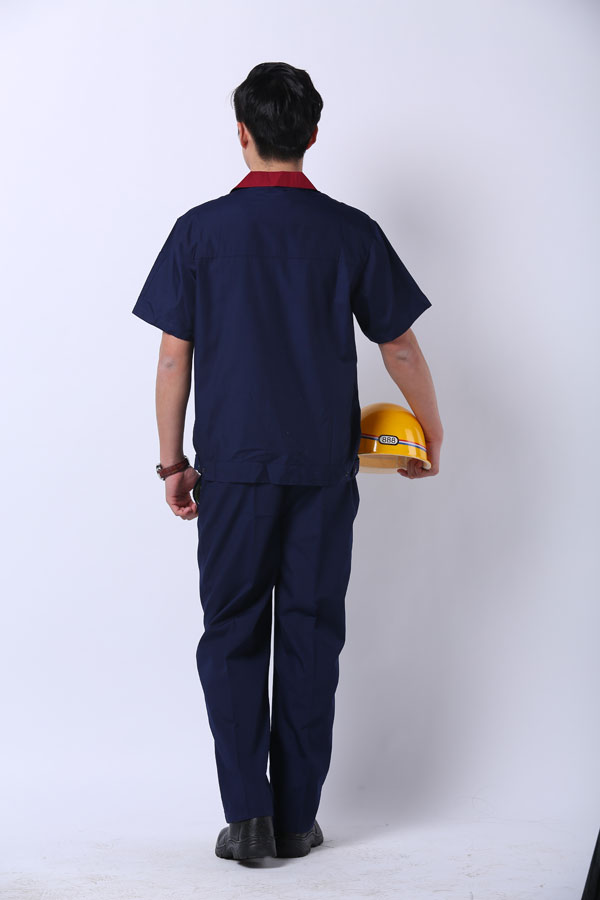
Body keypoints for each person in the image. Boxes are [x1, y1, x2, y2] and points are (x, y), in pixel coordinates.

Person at [131, 61, 443, 861]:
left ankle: (248, 819)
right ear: (312, 134)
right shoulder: (349, 231)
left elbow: (173, 358)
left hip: (232, 470)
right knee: (310, 634)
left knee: (233, 632)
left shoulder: (200, 231)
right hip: (322, 471)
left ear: (242, 133)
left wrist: (171, 463)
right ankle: (298, 818)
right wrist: (431, 431)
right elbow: (399, 346)